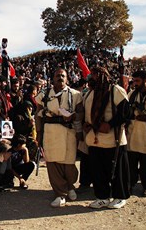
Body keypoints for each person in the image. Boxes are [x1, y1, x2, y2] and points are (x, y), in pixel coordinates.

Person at [83, 66, 131, 209]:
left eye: (95, 75)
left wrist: (110, 124)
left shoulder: (115, 90)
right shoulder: (90, 93)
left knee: (117, 170)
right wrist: (87, 124)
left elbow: (126, 113)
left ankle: (120, 197)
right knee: (98, 170)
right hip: (95, 139)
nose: (92, 77)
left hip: (113, 139)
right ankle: (102, 197)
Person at [35, 68, 83, 207]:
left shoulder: (75, 95)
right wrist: (39, 133)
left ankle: (70, 186)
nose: (60, 78)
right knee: (53, 163)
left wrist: (73, 116)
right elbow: (38, 115)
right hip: (50, 132)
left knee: (69, 164)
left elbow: (81, 113)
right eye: (57, 75)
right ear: (53, 78)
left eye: (63, 76)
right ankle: (60, 194)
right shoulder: (43, 95)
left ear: (67, 78)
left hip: (69, 132)